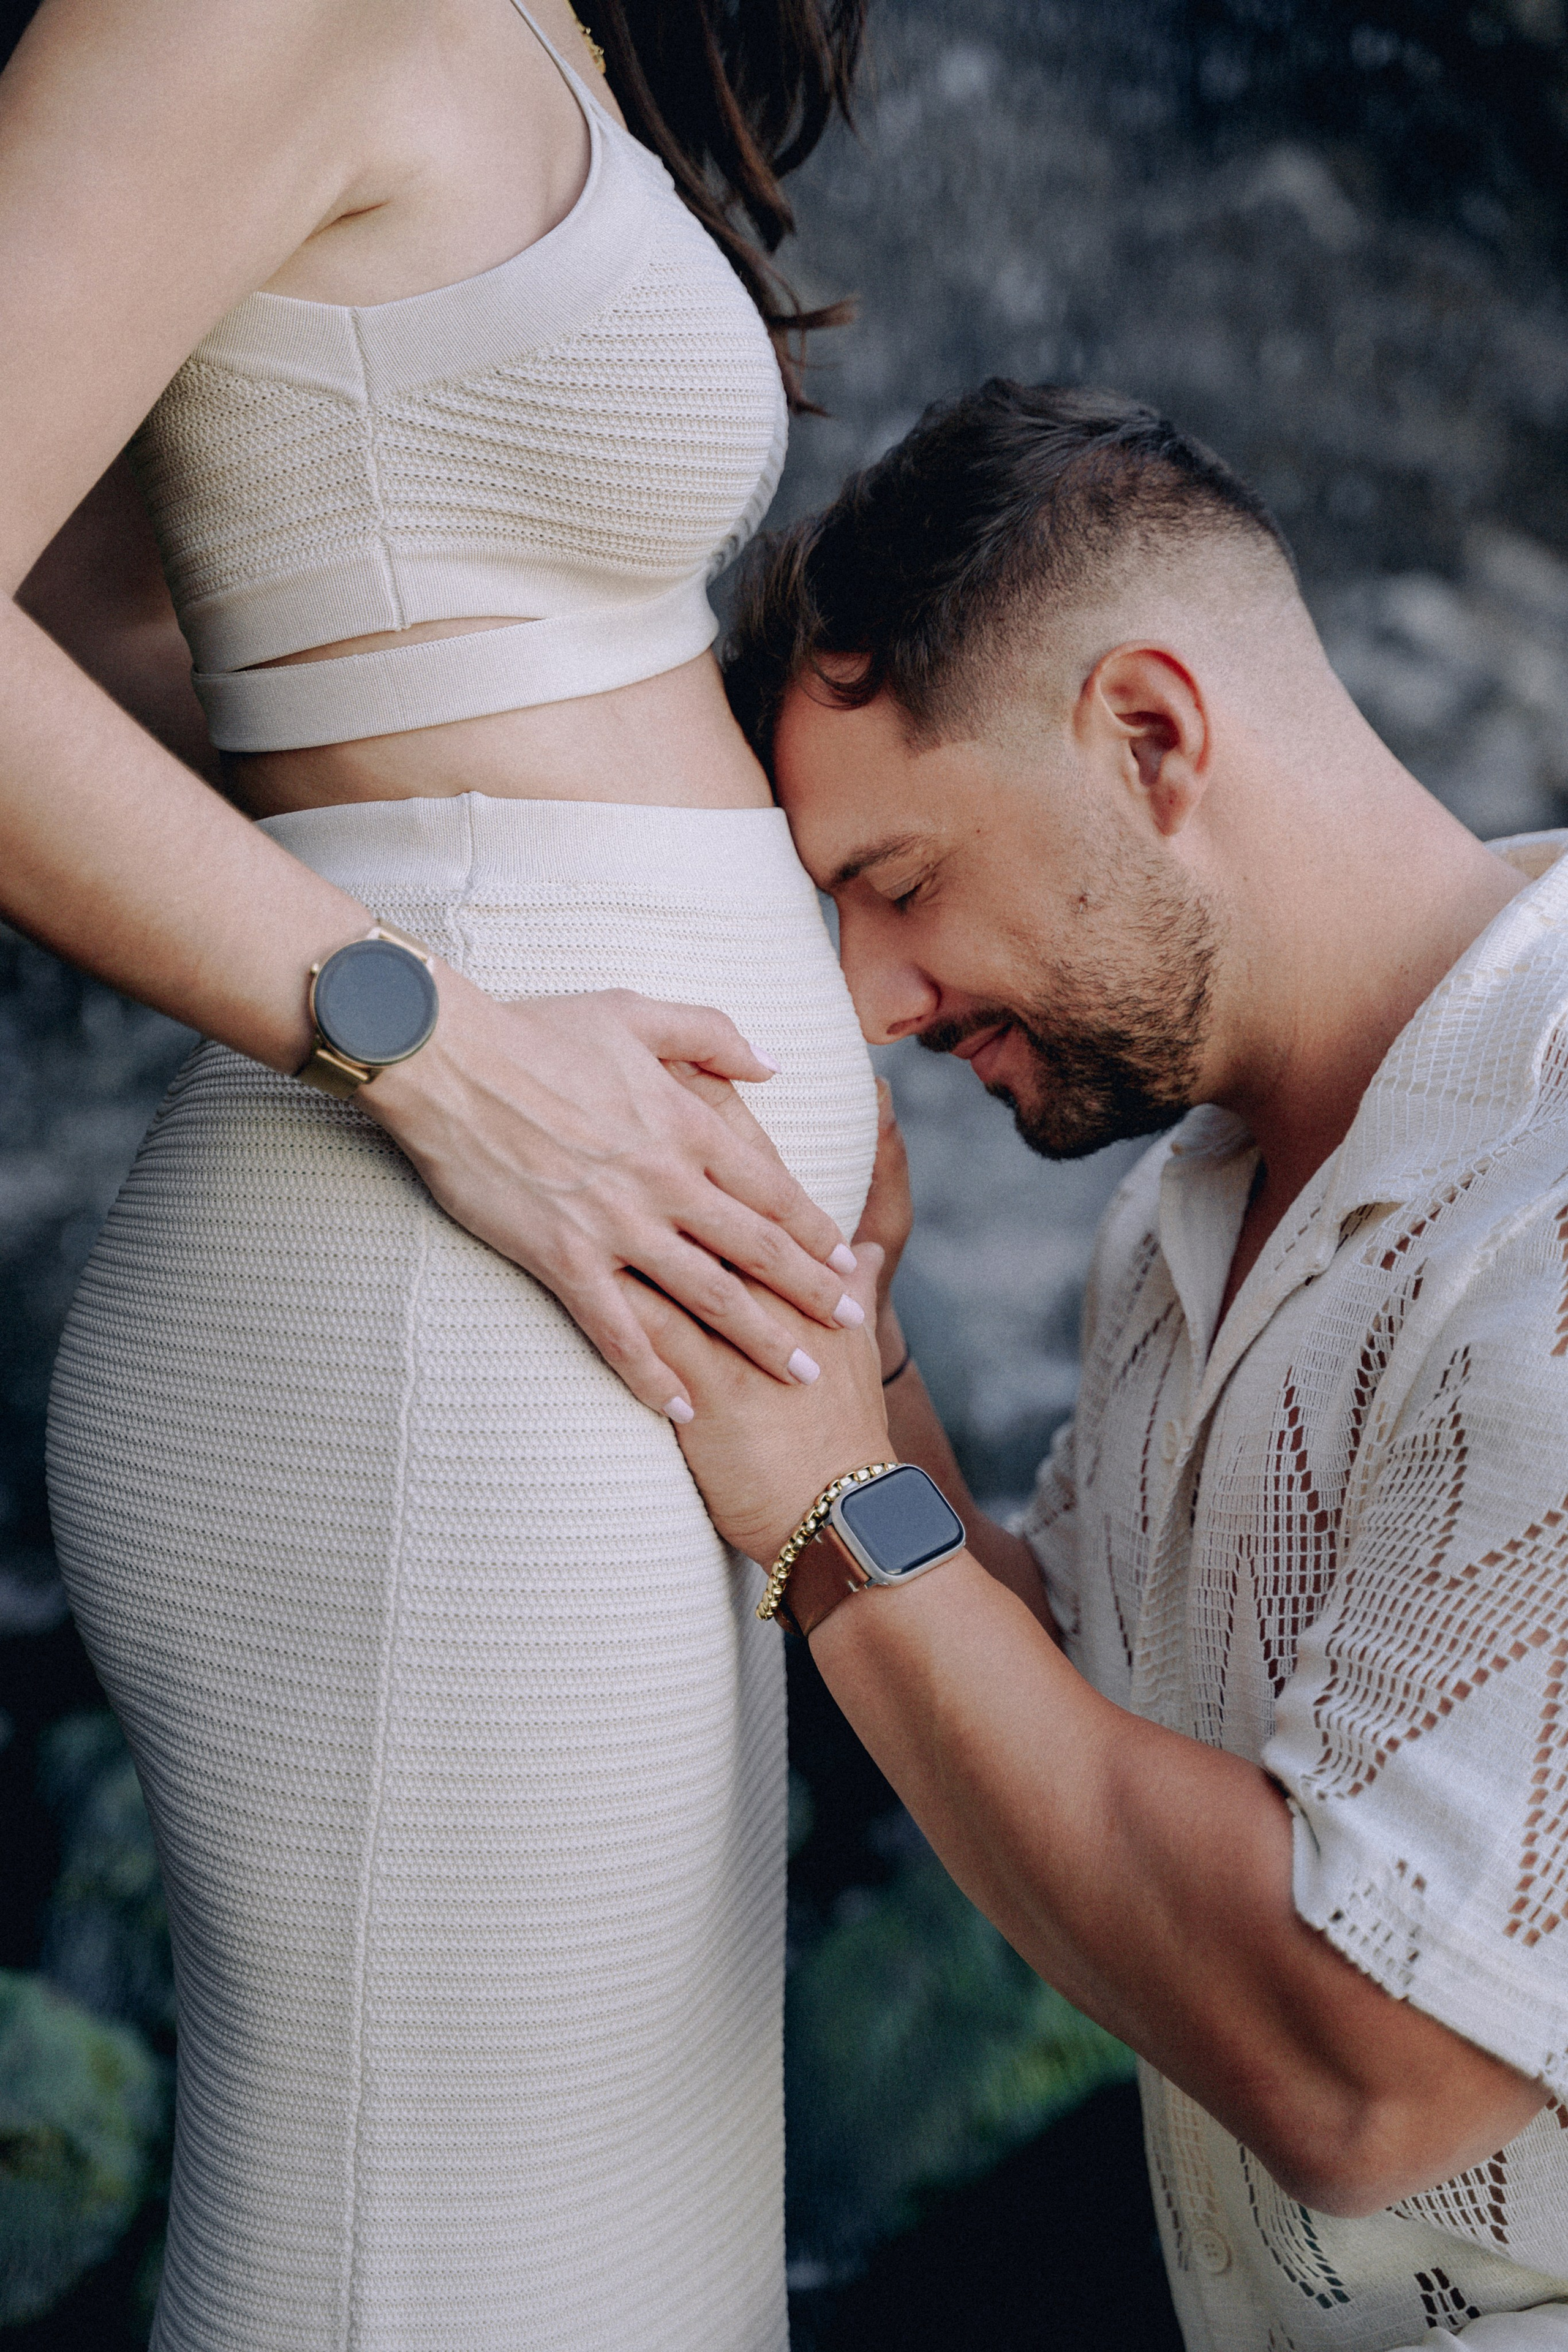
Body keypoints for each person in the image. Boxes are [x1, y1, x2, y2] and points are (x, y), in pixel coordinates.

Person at [1, 0, 878, 2342]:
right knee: (460, 2278)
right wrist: (444, 1039)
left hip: (587, 1314)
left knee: (624, 2274)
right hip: (434, 1303)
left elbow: (128, 610)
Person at [630, 380, 1568, 2348]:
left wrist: (815, 1501)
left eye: (893, 887)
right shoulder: (1182, 1208)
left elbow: (1368, 2063)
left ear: (1150, 735)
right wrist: (854, 1343)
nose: (873, 1006)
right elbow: (1071, 1726)